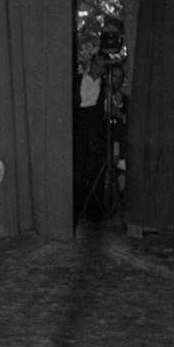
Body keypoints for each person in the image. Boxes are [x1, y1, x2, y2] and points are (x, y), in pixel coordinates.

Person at [73, 52, 107, 223]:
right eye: (97, 65)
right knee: (78, 171)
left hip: (95, 134)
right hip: (79, 132)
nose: (98, 69)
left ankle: (94, 212)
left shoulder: (105, 87)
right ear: (91, 63)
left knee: (95, 172)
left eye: (102, 67)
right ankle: (76, 210)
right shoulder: (76, 81)